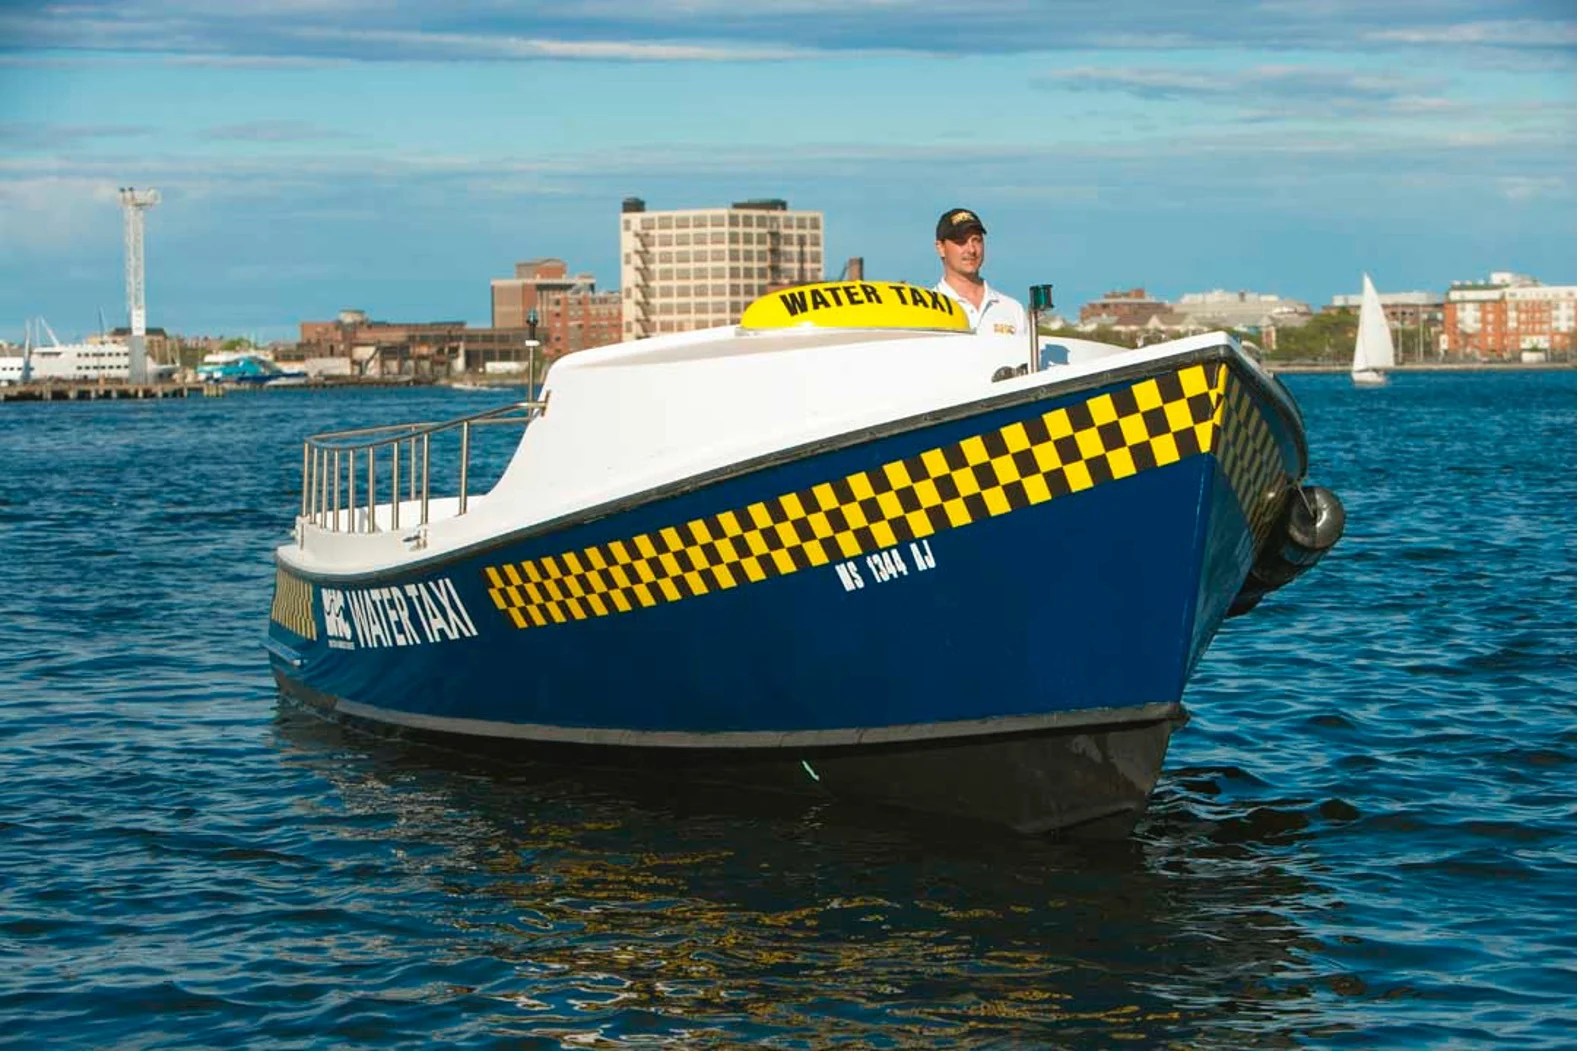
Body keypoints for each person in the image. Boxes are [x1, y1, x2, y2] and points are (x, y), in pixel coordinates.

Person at [933, 208, 1025, 337]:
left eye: (976, 240)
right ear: (941, 248)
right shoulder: (927, 307)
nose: (971, 249)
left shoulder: (1013, 309)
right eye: (961, 242)